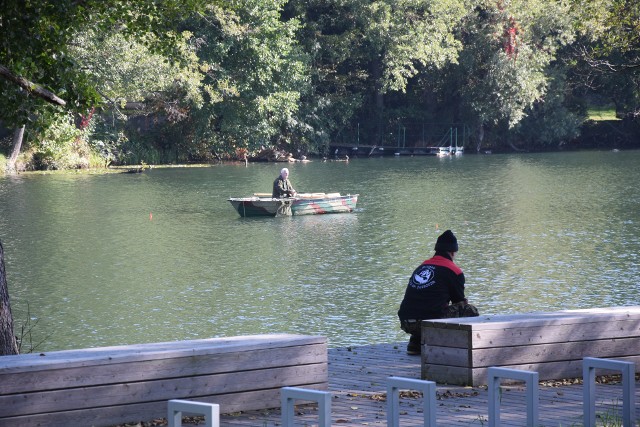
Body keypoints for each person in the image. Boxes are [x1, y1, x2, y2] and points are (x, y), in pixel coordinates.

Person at [397, 229, 475, 355]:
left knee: (426, 310)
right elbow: (458, 302)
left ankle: (415, 343)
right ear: (453, 252)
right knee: (469, 310)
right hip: (429, 323)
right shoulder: (454, 271)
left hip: (406, 321)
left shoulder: (422, 266)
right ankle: (455, 347)